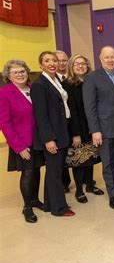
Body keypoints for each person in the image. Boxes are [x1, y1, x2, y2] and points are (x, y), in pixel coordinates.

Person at [83, 46, 114, 210]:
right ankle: (113, 194)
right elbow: (90, 107)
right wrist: (95, 130)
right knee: (109, 162)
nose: (110, 60)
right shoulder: (92, 78)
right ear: (100, 58)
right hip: (104, 128)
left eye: (113, 57)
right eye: (107, 57)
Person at [31, 51, 75, 217]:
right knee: (55, 173)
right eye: (47, 61)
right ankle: (59, 208)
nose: (52, 63)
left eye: (54, 60)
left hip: (61, 132)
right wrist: (49, 140)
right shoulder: (39, 85)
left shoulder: (56, 80)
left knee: (53, 171)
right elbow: (41, 115)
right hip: (52, 136)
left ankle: (50, 204)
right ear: (40, 64)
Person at [0, 60, 44, 222]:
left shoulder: (33, 90)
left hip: (38, 140)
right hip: (21, 142)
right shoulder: (5, 93)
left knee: (37, 169)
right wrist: (19, 147)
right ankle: (27, 207)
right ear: (9, 76)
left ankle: (35, 200)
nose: (20, 75)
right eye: (16, 72)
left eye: (23, 71)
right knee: (28, 172)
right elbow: (4, 123)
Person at [62, 54, 104, 204]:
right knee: (78, 161)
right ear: (71, 67)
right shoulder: (67, 84)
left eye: (83, 64)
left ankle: (90, 185)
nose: (80, 66)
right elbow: (72, 111)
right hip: (77, 128)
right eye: (76, 64)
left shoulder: (90, 82)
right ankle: (79, 190)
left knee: (90, 158)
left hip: (91, 127)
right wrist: (76, 134)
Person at [56, 50, 72, 191]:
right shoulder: (51, 80)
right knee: (61, 154)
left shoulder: (72, 77)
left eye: (64, 60)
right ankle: (64, 182)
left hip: (72, 122)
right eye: (58, 60)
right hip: (59, 123)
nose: (61, 63)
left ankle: (85, 181)